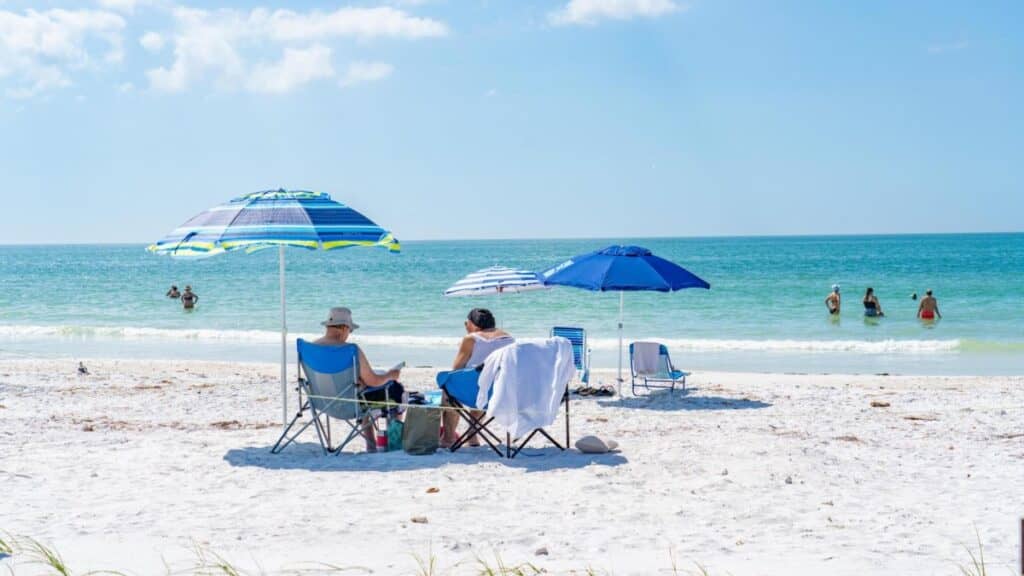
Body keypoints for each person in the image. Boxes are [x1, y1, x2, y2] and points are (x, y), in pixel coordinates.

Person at [314, 307, 403, 452]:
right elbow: (373, 381)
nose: (349, 334)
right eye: (350, 330)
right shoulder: (350, 350)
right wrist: (390, 375)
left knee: (361, 389)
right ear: (344, 328)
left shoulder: (311, 348)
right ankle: (393, 442)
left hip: (322, 402)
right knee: (396, 389)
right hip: (351, 405)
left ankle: (371, 444)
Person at [441, 308, 514, 449]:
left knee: (449, 389)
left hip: (476, 391)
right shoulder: (510, 339)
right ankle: (472, 435)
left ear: (474, 324)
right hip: (498, 391)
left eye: (466, 323)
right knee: (483, 383)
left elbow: (456, 369)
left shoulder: (471, 339)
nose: (465, 326)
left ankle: (448, 438)